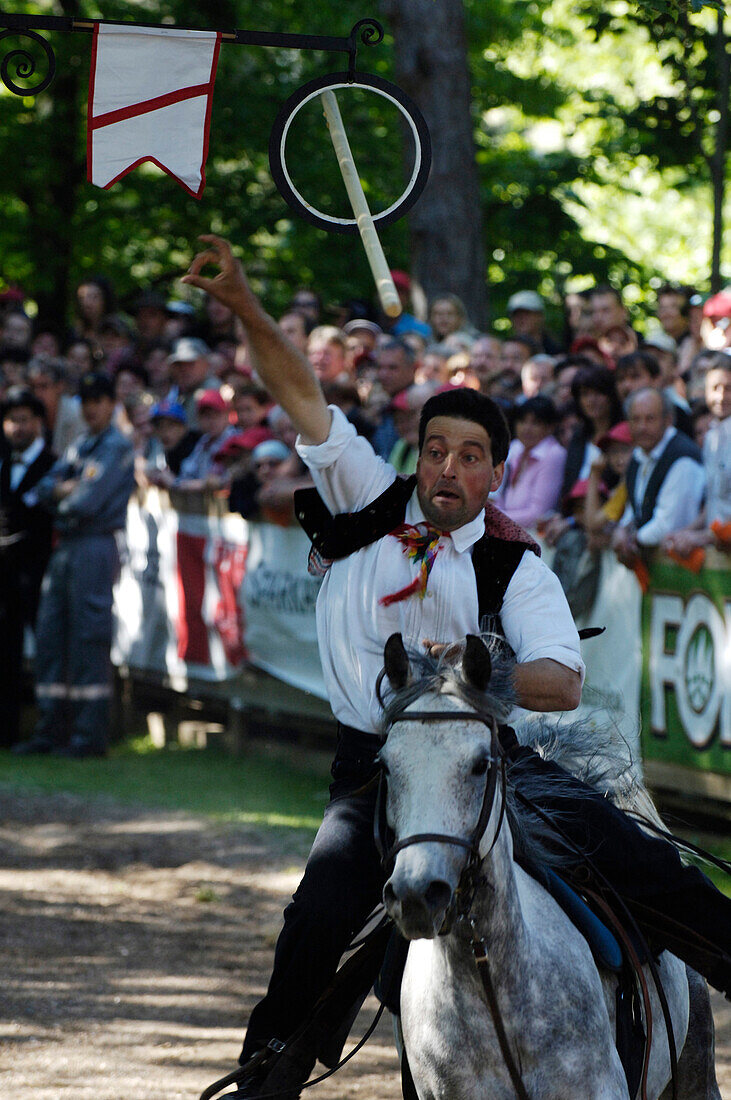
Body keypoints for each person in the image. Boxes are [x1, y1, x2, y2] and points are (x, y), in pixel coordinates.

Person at [182, 236, 730, 1098]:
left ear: (493, 473)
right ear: (417, 451)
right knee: (321, 912)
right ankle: (274, 1065)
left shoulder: (515, 564)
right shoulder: (365, 493)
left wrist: (475, 680)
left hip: (485, 767)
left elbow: (564, 680)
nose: (447, 467)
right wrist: (246, 306)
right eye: (436, 448)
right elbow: (301, 392)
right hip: (372, 768)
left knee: (637, 859)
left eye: (468, 456)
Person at [13, 373, 135, 758]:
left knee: (87, 637)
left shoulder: (116, 447)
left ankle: (88, 735)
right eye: (85, 401)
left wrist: (63, 494)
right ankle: (51, 730)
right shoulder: (81, 444)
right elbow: (42, 488)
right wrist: (64, 490)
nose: (91, 408)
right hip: (66, 546)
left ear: (112, 402)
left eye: (98, 400)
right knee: (51, 635)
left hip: (95, 545)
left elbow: (85, 503)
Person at [0, 388, 55, 747]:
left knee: (50, 650)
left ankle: (51, 730)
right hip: (4, 580)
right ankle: (5, 732)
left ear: (38, 423)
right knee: (5, 653)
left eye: (24, 419)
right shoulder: (2, 462)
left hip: (41, 575)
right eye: (11, 420)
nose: (18, 427)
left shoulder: (54, 464)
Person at [612, 388, 704, 567]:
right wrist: (622, 529)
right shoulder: (639, 455)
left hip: (681, 568)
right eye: (635, 419)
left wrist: (631, 539)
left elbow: (668, 525)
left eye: (650, 419)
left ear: (668, 420)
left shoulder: (682, 458)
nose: (642, 427)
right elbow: (635, 506)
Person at [491, 395, 566, 529]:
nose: (527, 428)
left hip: (532, 534)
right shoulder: (516, 447)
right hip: (504, 526)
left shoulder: (554, 454)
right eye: (522, 421)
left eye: (535, 423)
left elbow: (538, 514)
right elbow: (498, 493)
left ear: (550, 427)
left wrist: (494, 518)